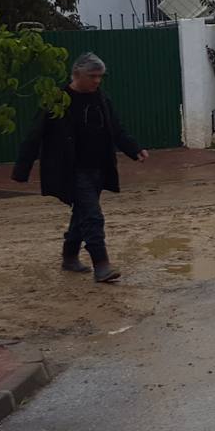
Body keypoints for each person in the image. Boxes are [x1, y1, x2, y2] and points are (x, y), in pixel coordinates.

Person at [12, 53, 148, 283]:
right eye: (92, 76)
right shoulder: (57, 99)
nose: (97, 81)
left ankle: (69, 255)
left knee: (83, 213)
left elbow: (116, 128)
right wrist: (21, 169)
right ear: (76, 75)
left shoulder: (101, 99)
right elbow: (35, 134)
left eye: (100, 76)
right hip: (70, 169)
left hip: (99, 166)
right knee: (93, 215)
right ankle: (102, 264)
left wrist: (134, 149)